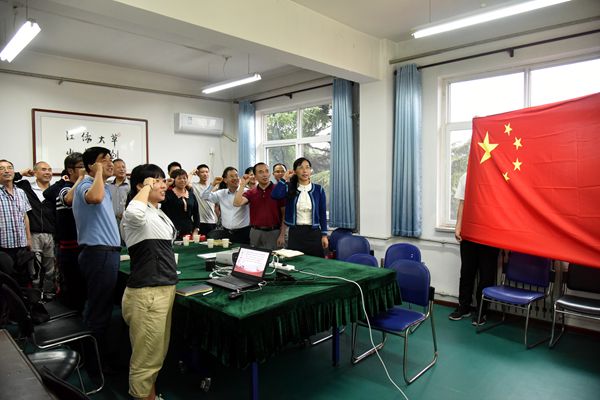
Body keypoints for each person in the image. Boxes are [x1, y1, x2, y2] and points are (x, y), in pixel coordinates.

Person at [121, 164, 177, 400]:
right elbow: (134, 213)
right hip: (148, 293)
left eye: (163, 180)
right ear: (141, 186)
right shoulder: (136, 214)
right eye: (157, 181)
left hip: (163, 287)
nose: (163, 185)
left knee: (155, 353)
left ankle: (151, 396)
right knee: (146, 359)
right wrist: (145, 187)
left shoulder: (155, 211)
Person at [72, 147, 121, 368]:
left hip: (106, 253)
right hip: (98, 253)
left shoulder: (104, 187)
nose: (110, 163)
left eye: (111, 159)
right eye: (104, 160)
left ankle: (95, 355)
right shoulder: (87, 185)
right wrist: (98, 172)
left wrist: (100, 173)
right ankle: (95, 363)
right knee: (98, 310)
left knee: (100, 306)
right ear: (91, 165)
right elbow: (95, 197)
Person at [448, 173, 500, 326]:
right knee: (466, 273)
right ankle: (464, 307)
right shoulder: (467, 175)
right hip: (470, 232)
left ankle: (482, 311)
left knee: (486, 275)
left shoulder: (498, 174)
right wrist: (458, 226)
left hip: (491, 235)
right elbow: (462, 203)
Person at [44, 153, 87, 312]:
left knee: (83, 285)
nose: (85, 169)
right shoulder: (65, 188)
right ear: (70, 170)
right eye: (81, 167)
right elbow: (67, 199)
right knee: (73, 285)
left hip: (83, 245)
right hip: (70, 247)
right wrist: (80, 179)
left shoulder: (84, 187)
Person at [271, 157, 328, 257]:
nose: (305, 171)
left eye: (307, 167)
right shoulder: (289, 187)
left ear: (310, 171)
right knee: (296, 262)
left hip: (314, 233)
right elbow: (275, 195)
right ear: (295, 171)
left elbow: (322, 213)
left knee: (316, 261)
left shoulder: (318, 190)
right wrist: (284, 178)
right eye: (301, 167)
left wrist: (324, 235)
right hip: (295, 233)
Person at [14, 161, 56, 294]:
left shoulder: (55, 190)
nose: (47, 172)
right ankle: (35, 295)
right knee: (34, 268)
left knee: (51, 268)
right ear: (35, 173)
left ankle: (49, 293)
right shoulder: (25, 187)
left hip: (51, 235)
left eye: (49, 169)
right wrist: (21, 173)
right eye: (43, 169)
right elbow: (7, 181)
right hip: (33, 234)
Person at [233, 162, 285, 250]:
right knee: (255, 257)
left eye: (267, 171)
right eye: (260, 172)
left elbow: (285, 214)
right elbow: (237, 203)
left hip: (274, 232)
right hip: (255, 232)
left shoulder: (278, 190)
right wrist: (242, 185)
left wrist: (282, 234)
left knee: (274, 257)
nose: (265, 174)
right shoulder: (251, 192)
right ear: (255, 176)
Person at [0, 159, 32, 285]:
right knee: (7, 283)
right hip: (3, 247)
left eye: (9, 168)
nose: (6, 171)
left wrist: (29, 239)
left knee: (23, 281)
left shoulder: (21, 192)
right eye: (1, 168)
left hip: (21, 245)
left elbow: (25, 216)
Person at [201, 167, 250, 244]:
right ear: (225, 180)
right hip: (226, 233)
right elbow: (204, 196)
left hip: (243, 232)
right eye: (231, 176)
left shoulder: (246, 192)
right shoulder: (221, 193)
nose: (235, 178)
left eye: (236, 175)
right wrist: (213, 184)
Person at [161, 169, 200, 240]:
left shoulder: (191, 195)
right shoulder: (168, 194)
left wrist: (196, 230)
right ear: (174, 180)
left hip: (189, 230)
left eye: (184, 178)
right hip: (171, 230)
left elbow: (196, 214)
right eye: (179, 178)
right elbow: (160, 203)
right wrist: (166, 185)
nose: (182, 180)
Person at [190, 164, 217, 235]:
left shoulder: (213, 186)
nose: (205, 174)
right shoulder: (195, 186)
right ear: (198, 174)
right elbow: (186, 183)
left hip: (212, 221)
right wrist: (192, 173)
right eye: (202, 172)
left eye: (207, 172)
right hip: (200, 222)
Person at [107, 158, 130, 226]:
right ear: (113, 170)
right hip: (110, 220)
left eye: (123, 167)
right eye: (118, 167)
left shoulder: (131, 185)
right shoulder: (107, 185)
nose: (122, 169)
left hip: (126, 221)